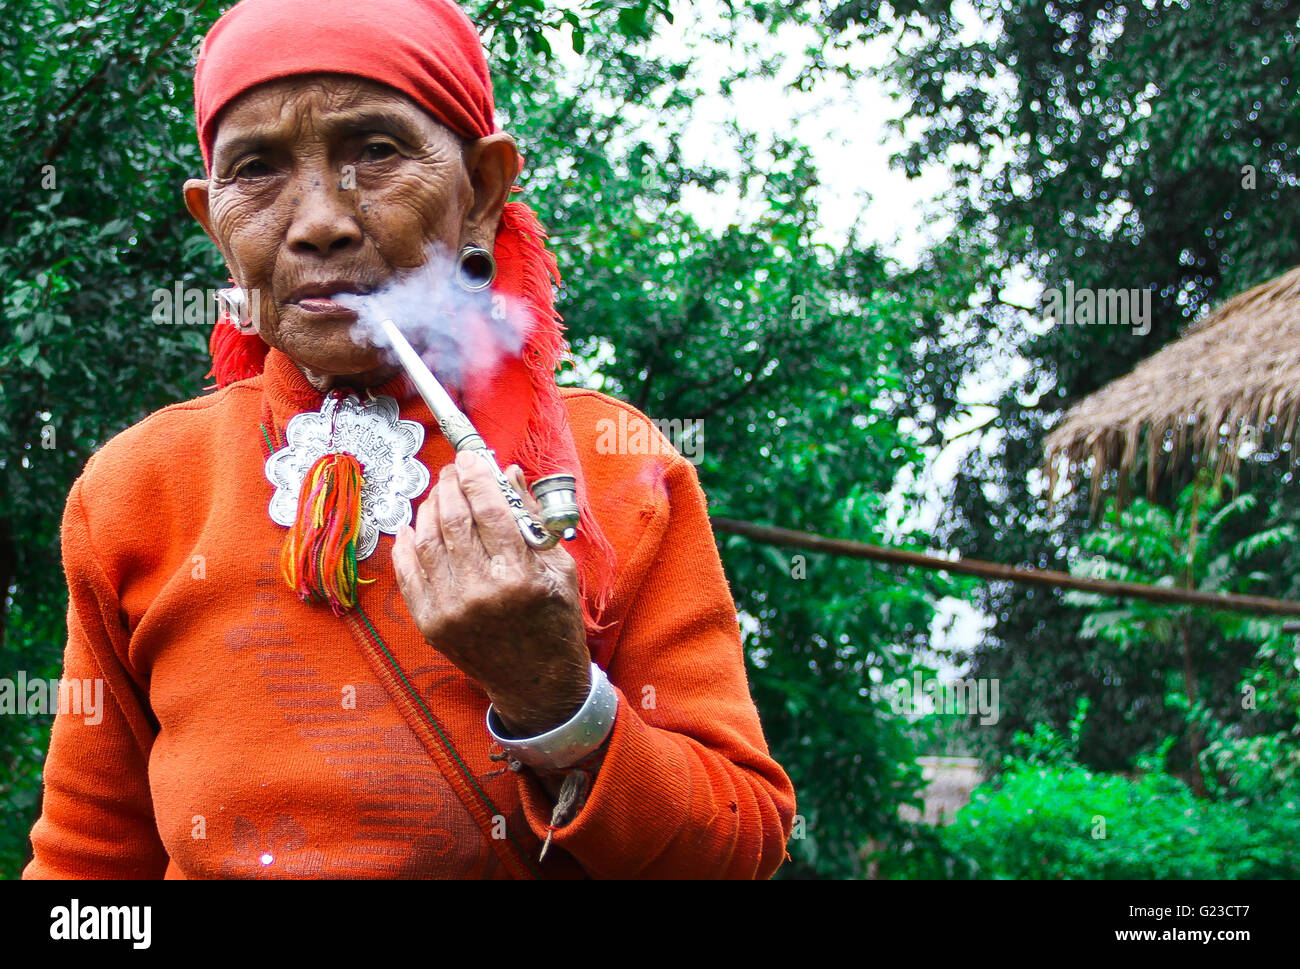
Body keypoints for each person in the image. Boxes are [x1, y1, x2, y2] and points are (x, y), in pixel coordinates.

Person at [23, 0, 795, 879]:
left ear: (483, 192)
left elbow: (740, 846)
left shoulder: (617, 465)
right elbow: (85, 871)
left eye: (376, 152)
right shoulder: (136, 490)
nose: (319, 221)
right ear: (214, 224)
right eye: (258, 169)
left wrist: (555, 695)